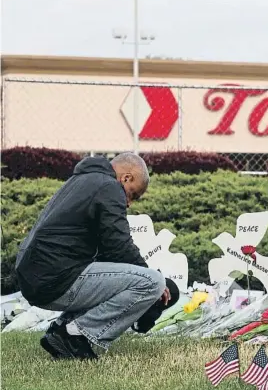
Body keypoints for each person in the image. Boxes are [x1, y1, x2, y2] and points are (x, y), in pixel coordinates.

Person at [15, 152, 171, 360]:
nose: (129, 204)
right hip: (55, 278)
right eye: (133, 194)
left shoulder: (81, 181)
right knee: (152, 282)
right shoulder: (109, 186)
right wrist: (153, 281)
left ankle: (61, 329)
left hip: (37, 278)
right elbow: (119, 245)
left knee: (130, 275)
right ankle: (74, 335)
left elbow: (109, 251)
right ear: (126, 178)